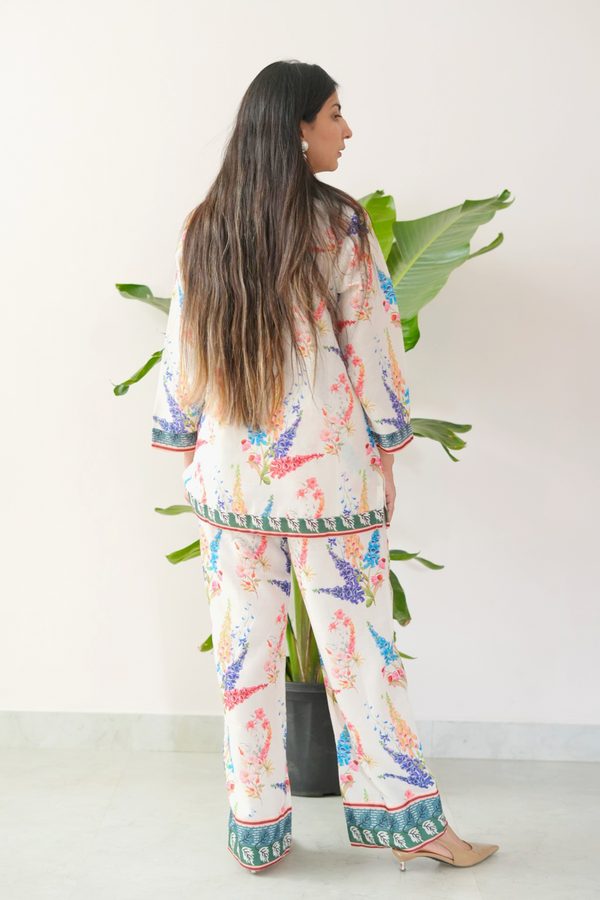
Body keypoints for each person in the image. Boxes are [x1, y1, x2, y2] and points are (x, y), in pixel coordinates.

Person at [151, 60, 499, 873]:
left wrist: (179, 434)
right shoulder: (336, 224)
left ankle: (256, 834)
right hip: (327, 488)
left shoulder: (207, 225)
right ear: (299, 127)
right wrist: (387, 443)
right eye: (336, 114)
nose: (348, 129)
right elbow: (370, 343)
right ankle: (414, 824)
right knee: (363, 658)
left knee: (244, 661)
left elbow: (184, 355)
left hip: (230, 484)